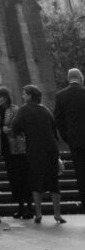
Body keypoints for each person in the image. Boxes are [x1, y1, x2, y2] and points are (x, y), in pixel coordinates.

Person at [11, 84, 64, 224]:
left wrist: (21, 134)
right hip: (50, 149)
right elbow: (54, 130)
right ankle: (57, 214)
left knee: (36, 180)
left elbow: (15, 127)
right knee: (54, 181)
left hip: (34, 149)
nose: (22, 96)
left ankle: (39, 213)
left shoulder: (23, 110)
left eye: (24, 93)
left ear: (29, 95)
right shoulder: (45, 110)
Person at [0, 86, 32, 219]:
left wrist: (9, 130)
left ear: (6, 97)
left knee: (24, 177)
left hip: (19, 149)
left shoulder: (15, 109)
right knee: (13, 179)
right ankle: (20, 207)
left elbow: (19, 126)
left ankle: (29, 207)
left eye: (0, 96)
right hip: (6, 149)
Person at [54, 67, 85, 213]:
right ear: (81, 77)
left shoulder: (61, 96)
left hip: (74, 140)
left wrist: (67, 137)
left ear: (68, 78)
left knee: (81, 173)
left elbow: (58, 120)